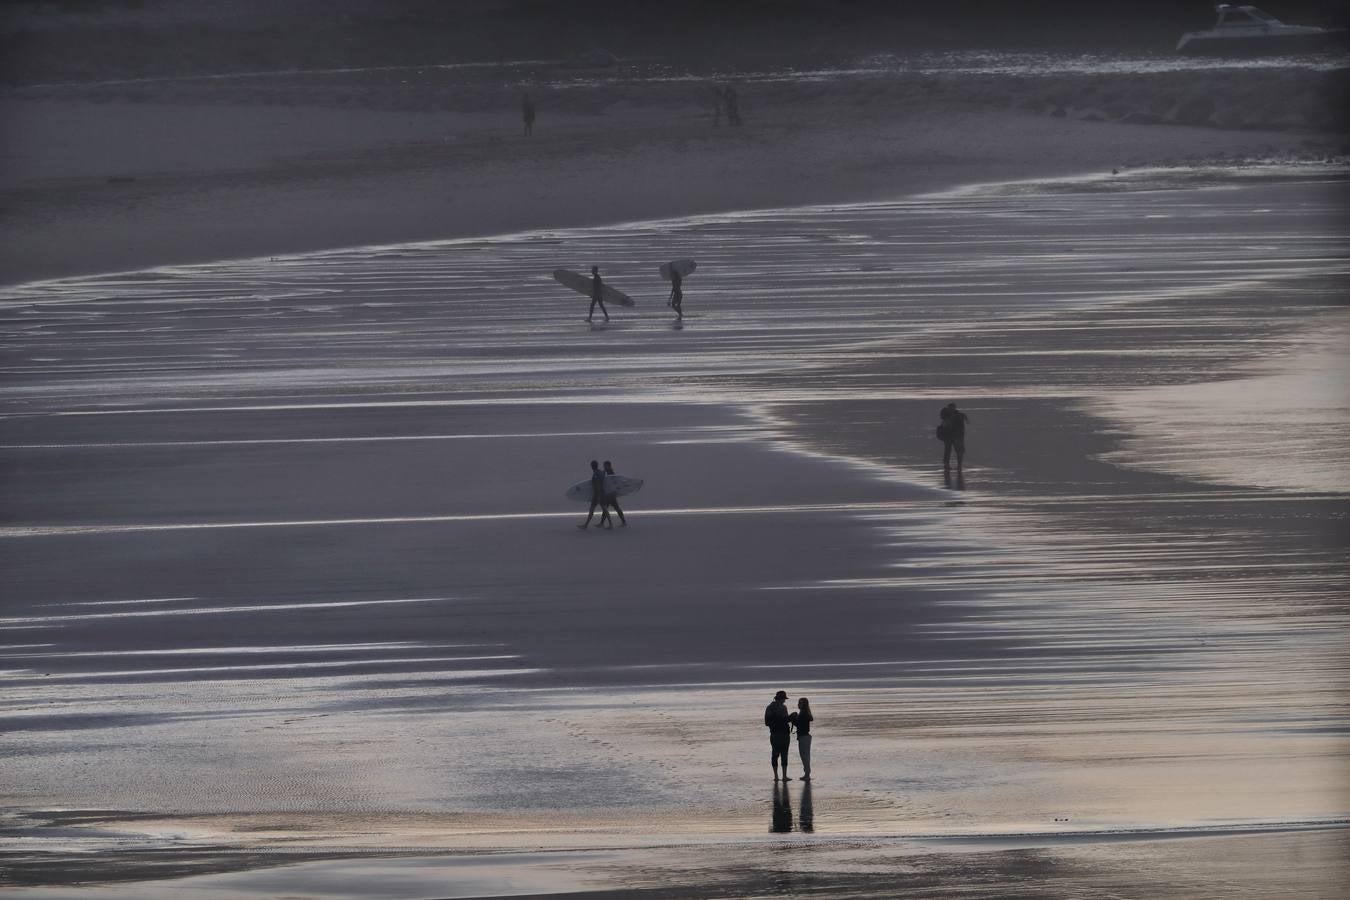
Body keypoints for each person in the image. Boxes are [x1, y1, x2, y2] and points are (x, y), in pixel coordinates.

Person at [764, 690, 792, 781]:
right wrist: (791, 718)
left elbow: (766, 723)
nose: (785, 701)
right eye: (784, 699)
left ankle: (776, 776)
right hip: (784, 735)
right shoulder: (783, 708)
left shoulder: (769, 707)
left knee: (774, 755)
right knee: (784, 754)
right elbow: (785, 720)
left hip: (774, 734)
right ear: (782, 699)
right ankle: (784, 776)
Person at [938, 402, 969, 476]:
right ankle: (951, 466)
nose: (952, 409)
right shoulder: (948, 415)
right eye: (951, 407)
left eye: (953, 407)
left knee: (955, 451)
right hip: (952, 436)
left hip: (954, 436)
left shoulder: (958, 415)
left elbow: (964, 423)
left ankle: (956, 466)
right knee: (953, 451)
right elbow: (945, 424)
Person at [577, 459, 609, 529]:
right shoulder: (600, 472)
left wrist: (597, 496)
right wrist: (605, 470)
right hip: (602, 493)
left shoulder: (595, 474)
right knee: (604, 509)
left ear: (592, 466)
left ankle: (586, 525)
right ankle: (586, 525)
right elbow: (603, 475)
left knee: (596, 509)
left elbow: (597, 485)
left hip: (598, 494)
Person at [788, 697, 813, 781]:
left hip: (804, 737)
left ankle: (807, 775)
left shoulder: (803, 713)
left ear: (804, 705)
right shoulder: (804, 713)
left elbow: (799, 725)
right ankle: (807, 774)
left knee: (804, 757)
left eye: (800, 703)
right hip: (805, 737)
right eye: (799, 702)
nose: (798, 704)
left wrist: (792, 719)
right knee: (805, 756)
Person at [601, 460, 627, 527]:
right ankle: (623, 521)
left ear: (608, 466)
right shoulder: (609, 471)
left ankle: (603, 523)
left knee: (606, 508)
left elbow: (608, 481)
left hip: (610, 494)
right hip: (611, 493)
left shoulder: (610, 472)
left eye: (605, 465)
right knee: (613, 508)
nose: (604, 466)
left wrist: (603, 473)